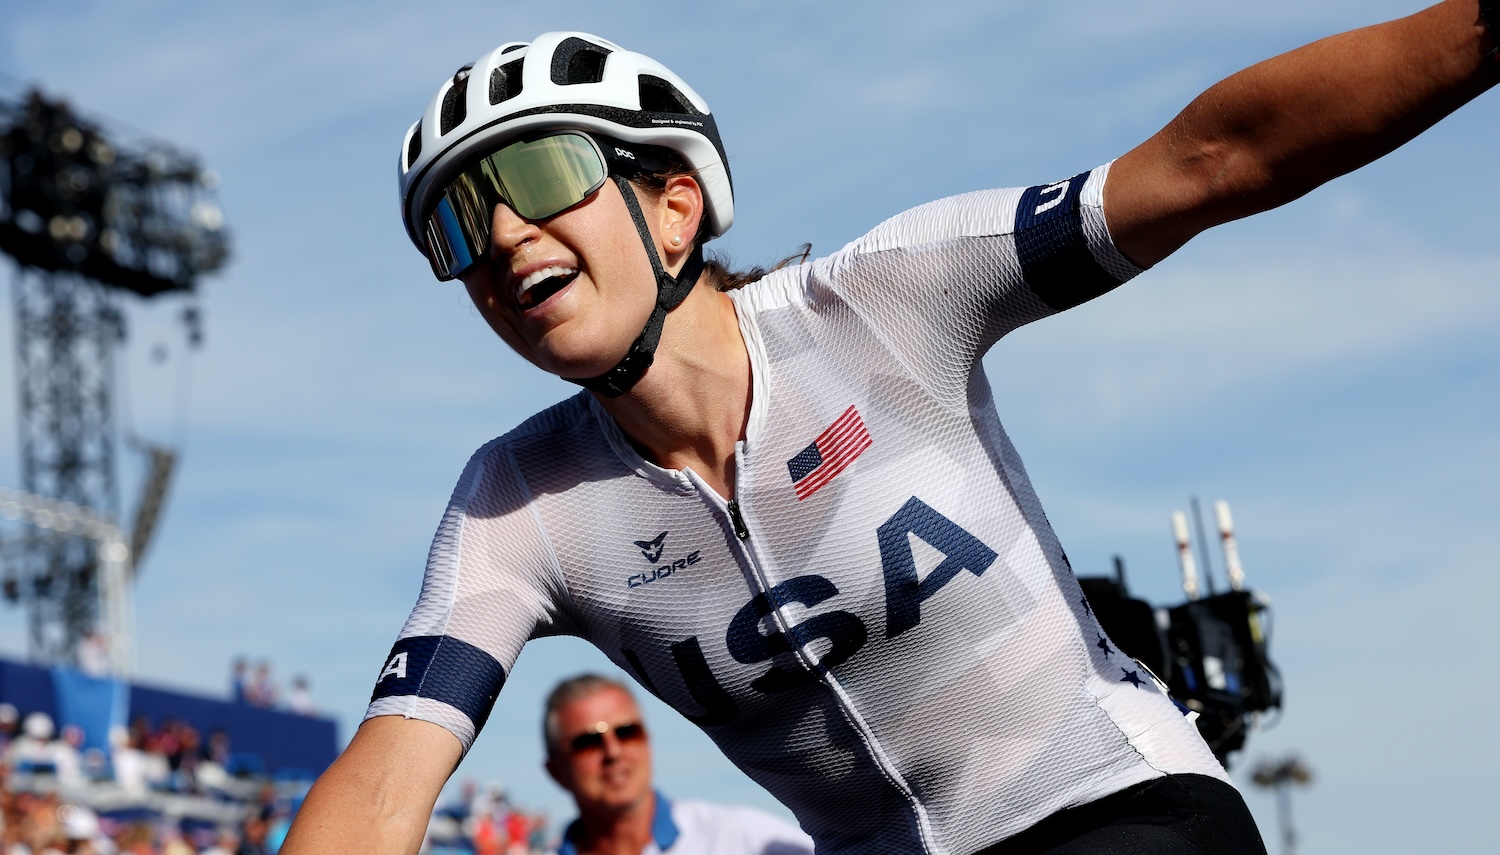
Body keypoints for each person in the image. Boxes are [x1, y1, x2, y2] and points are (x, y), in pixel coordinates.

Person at [284, 5, 1500, 853]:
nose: (499, 238)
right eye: (455, 226)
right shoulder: (516, 505)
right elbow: (387, 781)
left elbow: (1216, 158)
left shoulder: (882, 299)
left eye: (540, 177)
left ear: (673, 206)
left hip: (1115, 811)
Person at [543, 674, 813, 855]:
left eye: (627, 733)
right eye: (588, 742)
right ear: (556, 772)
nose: (613, 751)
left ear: (647, 742)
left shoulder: (744, 838)